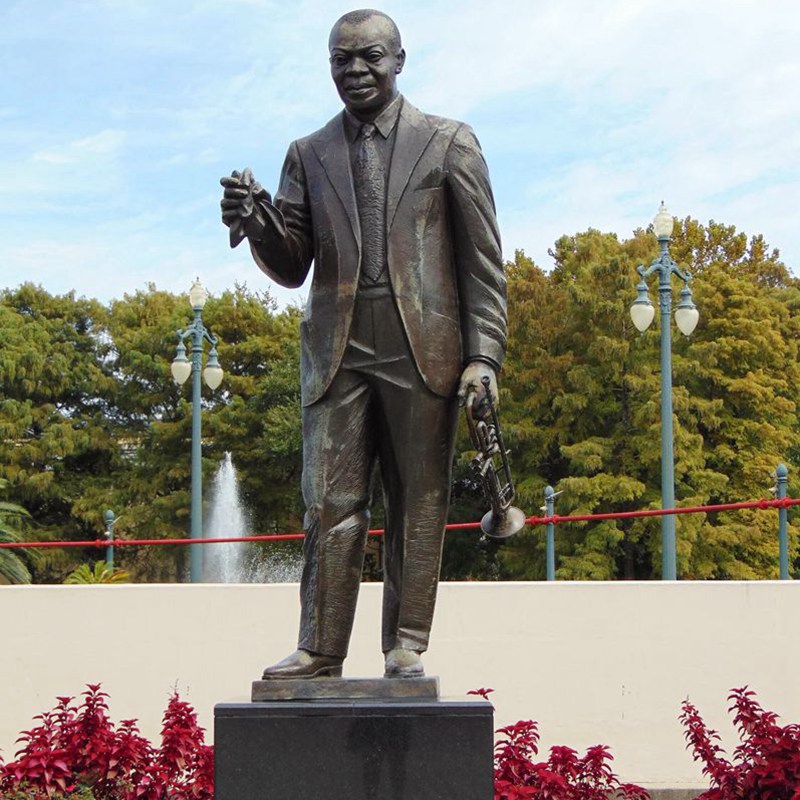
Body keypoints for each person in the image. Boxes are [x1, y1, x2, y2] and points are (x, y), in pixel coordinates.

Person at [220, 8, 506, 679]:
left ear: (399, 60)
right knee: (328, 501)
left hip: (424, 347)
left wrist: (483, 355)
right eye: (340, 60)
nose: (354, 70)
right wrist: (259, 221)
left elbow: (483, 264)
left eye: (369, 56)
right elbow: (292, 265)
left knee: (419, 499)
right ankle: (319, 649)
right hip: (338, 349)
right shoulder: (308, 153)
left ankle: (406, 645)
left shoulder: (449, 142)